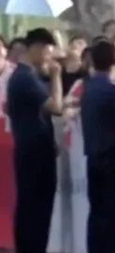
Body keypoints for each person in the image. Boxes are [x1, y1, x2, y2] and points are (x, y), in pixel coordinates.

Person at [6, 28, 63, 253]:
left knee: (32, 209)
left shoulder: (26, 76)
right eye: (48, 52)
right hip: (34, 152)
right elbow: (56, 107)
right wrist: (56, 76)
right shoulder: (25, 78)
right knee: (36, 210)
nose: (49, 58)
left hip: (33, 148)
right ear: (37, 48)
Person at [80, 40, 115, 253]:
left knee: (96, 212)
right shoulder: (114, 92)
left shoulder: (87, 91)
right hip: (114, 160)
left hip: (93, 158)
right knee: (112, 215)